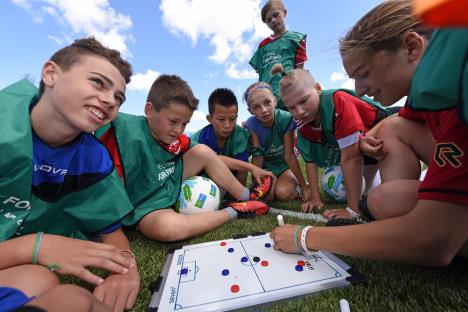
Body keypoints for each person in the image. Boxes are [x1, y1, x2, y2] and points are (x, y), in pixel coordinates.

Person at [270, 0, 468, 266]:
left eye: (363, 74)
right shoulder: (433, 86)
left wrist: (305, 236)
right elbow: (393, 125)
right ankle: (395, 224)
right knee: (384, 195)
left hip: (436, 233)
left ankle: (405, 226)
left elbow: (434, 239)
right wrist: (362, 143)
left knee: (418, 220)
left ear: (412, 47)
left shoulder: (459, 92)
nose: (360, 90)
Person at [0, 38, 140, 311]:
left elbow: (113, 233)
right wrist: (35, 246)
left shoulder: (93, 159)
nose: (111, 100)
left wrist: (127, 270)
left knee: (41, 279)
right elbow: (33, 249)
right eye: (98, 82)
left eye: (119, 97)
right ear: (50, 74)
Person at [97, 75, 270, 242]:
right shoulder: (124, 132)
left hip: (163, 185)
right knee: (168, 228)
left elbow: (213, 158)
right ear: (149, 110)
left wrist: (252, 168)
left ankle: (247, 196)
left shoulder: (176, 138)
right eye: (173, 121)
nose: (179, 130)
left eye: (185, 124)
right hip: (141, 207)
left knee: (202, 151)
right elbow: (108, 189)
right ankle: (234, 211)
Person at [270, 63, 392, 223]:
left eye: (304, 100)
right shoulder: (303, 123)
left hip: (388, 131)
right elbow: (310, 160)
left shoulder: (337, 101)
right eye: (291, 107)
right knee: (366, 197)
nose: (299, 111)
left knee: (391, 200)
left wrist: (352, 210)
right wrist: (315, 197)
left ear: (318, 88)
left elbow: (351, 158)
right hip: (366, 149)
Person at [191, 88, 274, 188]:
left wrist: (238, 197)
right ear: (210, 119)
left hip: (231, 181)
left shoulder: (240, 135)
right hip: (205, 180)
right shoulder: (198, 139)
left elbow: (242, 169)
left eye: (232, 119)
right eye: (221, 119)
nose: (227, 125)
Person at [243, 81, 310, 204]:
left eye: (267, 103)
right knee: (266, 197)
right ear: (250, 110)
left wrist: (305, 189)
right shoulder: (252, 124)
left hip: (284, 167)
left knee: (283, 194)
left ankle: (300, 186)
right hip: (267, 169)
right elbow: (258, 156)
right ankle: (276, 182)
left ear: (275, 101)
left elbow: (289, 156)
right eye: (256, 107)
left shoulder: (285, 118)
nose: (264, 110)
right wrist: (255, 185)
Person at [249, 0, 307, 111]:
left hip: (289, 97)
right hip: (266, 101)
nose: (273, 20)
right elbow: (260, 71)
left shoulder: (296, 39)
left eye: (276, 15)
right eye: (268, 20)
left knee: (291, 126)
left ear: (284, 13)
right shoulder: (263, 45)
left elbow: (300, 70)